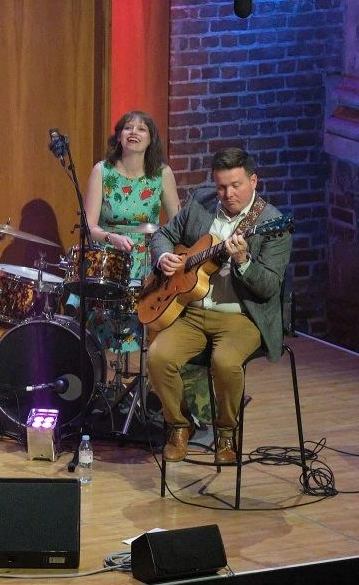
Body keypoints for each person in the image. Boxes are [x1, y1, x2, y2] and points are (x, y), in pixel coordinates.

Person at [146, 147, 291, 464]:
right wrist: (164, 256)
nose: (227, 194)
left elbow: (269, 287)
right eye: (222, 186)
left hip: (241, 317)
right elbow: (163, 234)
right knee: (158, 357)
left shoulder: (272, 223)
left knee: (224, 362)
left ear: (253, 181)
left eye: (236, 185)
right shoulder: (202, 202)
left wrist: (243, 261)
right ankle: (179, 426)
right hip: (193, 312)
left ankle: (226, 434)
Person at [75, 110, 180, 354]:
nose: (134, 132)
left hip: (148, 258)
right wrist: (111, 238)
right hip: (109, 256)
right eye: (128, 127)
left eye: (142, 129)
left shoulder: (162, 174)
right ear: (119, 136)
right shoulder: (102, 170)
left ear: (151, 139)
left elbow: (177, 224)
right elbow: (89, 227)